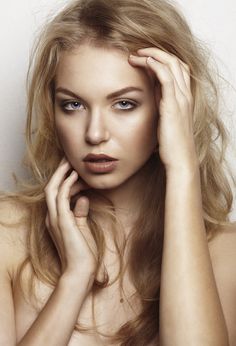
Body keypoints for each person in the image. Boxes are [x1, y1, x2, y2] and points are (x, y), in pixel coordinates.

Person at [0, 0, 235, 345]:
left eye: (124, 104)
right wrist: (74, 279)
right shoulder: (8, 234)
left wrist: (183, 166)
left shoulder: (227, 254)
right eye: (73, 104)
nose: (95, 133)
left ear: (168, 108)